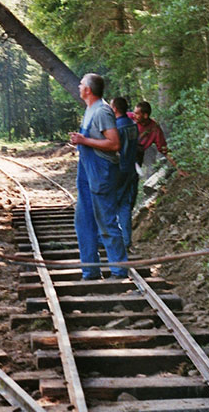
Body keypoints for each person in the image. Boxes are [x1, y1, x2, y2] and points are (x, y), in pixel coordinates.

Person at [69, 73, 128, 280]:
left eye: (81, 84)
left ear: (88, 90)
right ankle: (90, 270)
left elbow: (114, 144)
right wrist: (81, 140)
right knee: (84, 220)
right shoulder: (89, 109)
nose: (78, 86)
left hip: (102, 171)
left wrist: (84, 141)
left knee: (106, 221)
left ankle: (119, 272)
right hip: (87, 170)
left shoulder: (102, 111)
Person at [129, 101, 188, 177]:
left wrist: (179, 168)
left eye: (137, 114)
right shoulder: (128, 117)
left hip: (137, 155)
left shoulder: (154, 129)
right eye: (134, 112)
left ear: (145, 115)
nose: (134, 115)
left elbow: (164, 149)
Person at [110, 97, 138, 251]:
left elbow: (113, 148)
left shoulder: (117, 128)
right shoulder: (133, 125)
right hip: (131, 170)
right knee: (125, 206)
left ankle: (110, 241)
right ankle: (127, 241)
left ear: (114, 109)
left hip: (119, 170)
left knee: (110, 204)